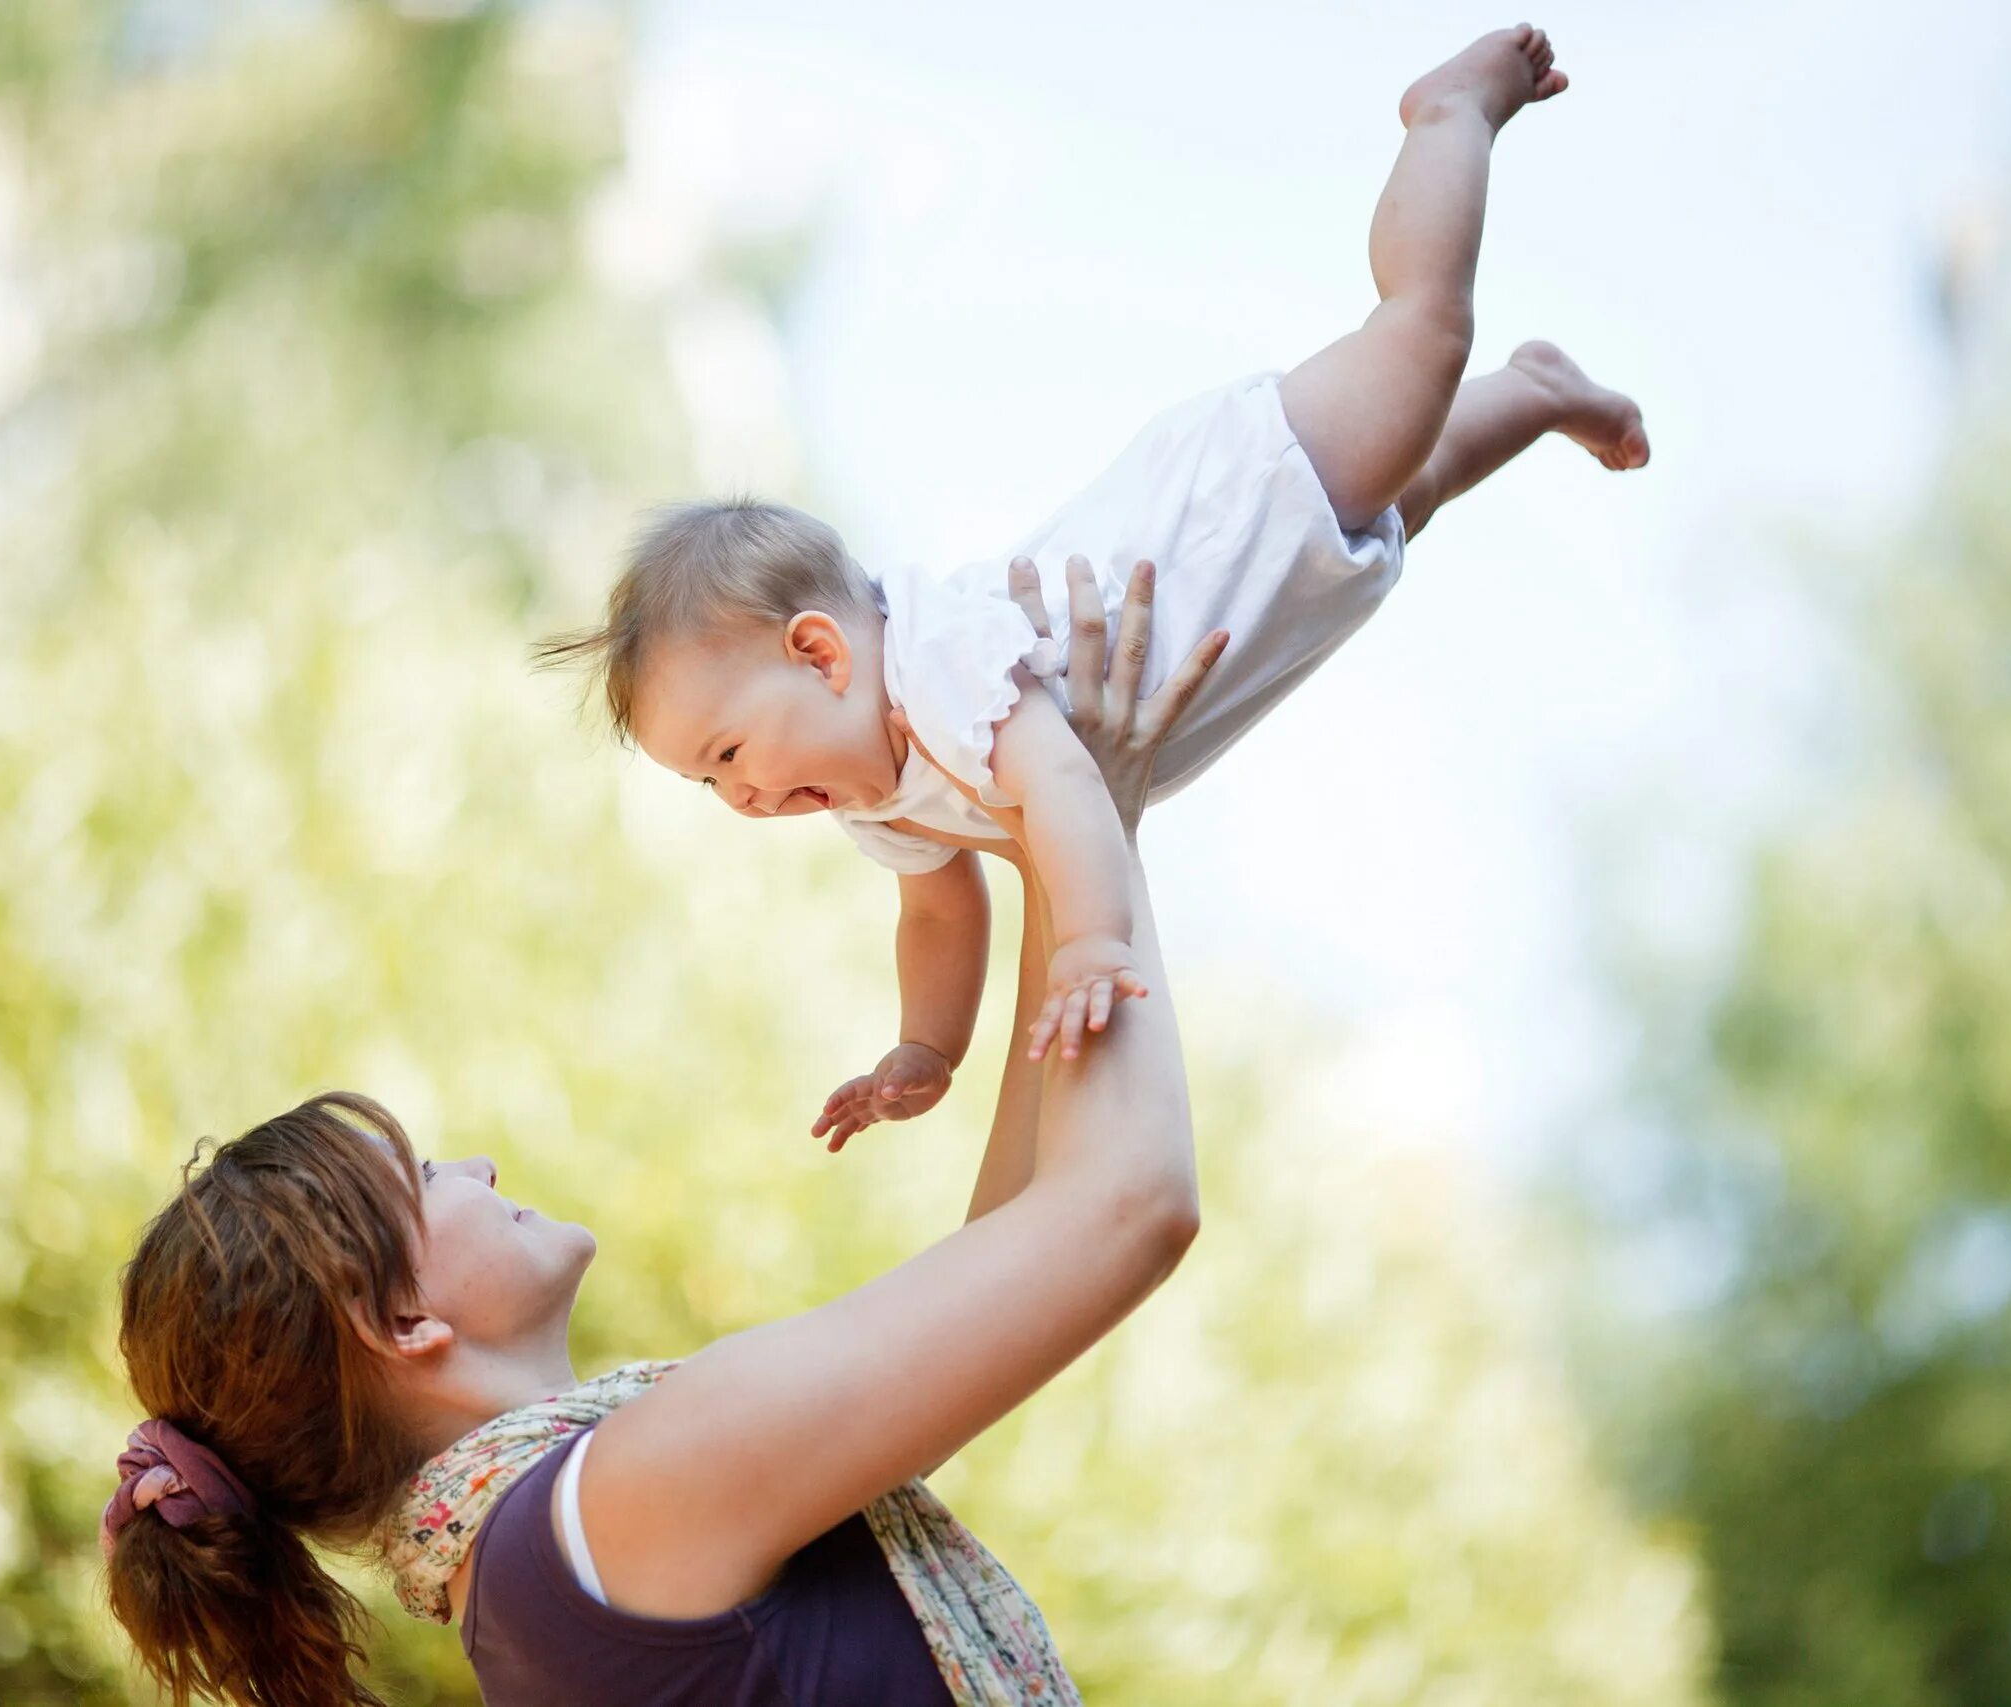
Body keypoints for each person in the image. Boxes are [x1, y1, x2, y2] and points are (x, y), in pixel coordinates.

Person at [100, 579, 1222, 1705]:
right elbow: (1123, 1210)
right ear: (402, 1318)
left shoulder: (545, 1570)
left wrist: (1057, 855)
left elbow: (1017, 1248)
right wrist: (1098, 840)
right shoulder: (612, 1508)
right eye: (427, 1177)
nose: (480, 1167)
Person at [537, 24, 1648, 1137]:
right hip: (1273, 590)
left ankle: (1447, 114)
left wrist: (1093, 941)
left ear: (820, 652)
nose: (738, 797)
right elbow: (937, 912)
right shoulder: (877, 796)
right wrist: (926, 1047)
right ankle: (1542, 390)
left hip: (1238, 504)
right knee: (1420, 478)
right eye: (706, 784)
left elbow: (1064, 786)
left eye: (728, 752)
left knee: (1419, 340)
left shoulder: (934, 665)